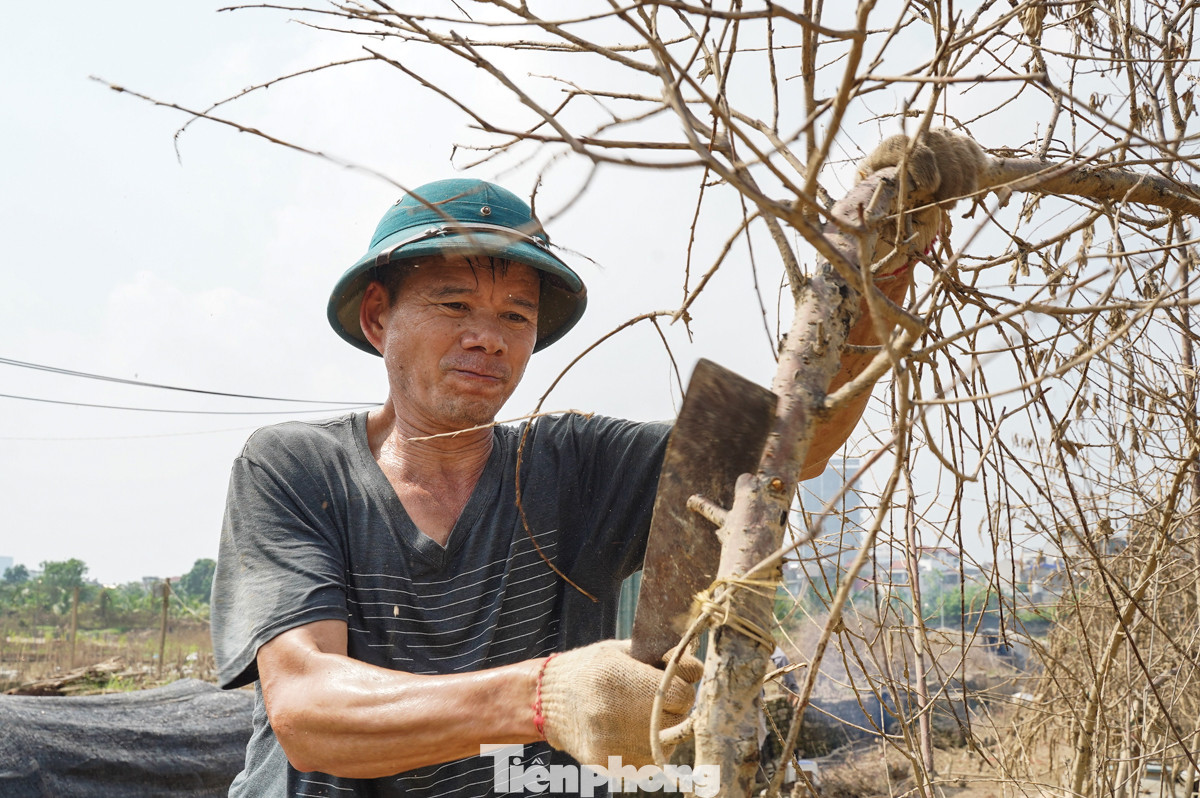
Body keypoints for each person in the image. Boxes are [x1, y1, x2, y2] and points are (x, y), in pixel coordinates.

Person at [210, 176, 915, 798]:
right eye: (454, 305)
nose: (488, 337)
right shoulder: (297, 467)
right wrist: (546, 698)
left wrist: (880, 274)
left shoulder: (576, 467)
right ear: (376, 317)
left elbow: (794, 446)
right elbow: (308, 711)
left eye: (516, 315)